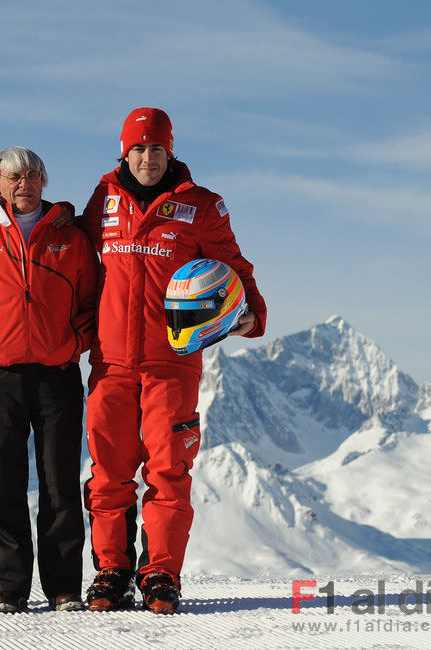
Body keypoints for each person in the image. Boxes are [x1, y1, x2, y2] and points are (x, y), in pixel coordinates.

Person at [79, 108, 267, 614]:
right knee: (108, 472)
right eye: (138, 149)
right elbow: (74, 257)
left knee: (167, 470)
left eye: (156, 149)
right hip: (111, 362)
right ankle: (111, 572)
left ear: (170, 152)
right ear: (124, 152)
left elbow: (234, 262)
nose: (147, 158)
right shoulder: (104, 200)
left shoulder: (201, 206)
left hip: (173, 362)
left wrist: (251, 312)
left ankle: (161, 575)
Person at [0, 146, 98, 613]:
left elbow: (94, 303)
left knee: (59, 484)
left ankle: (64, 587)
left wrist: (75, 342)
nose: (23, 184)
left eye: (32, 175)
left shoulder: (72, 240)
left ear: (44, 182)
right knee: (2, 482)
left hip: (58, 375)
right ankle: (7, 588)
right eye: (13, 177)